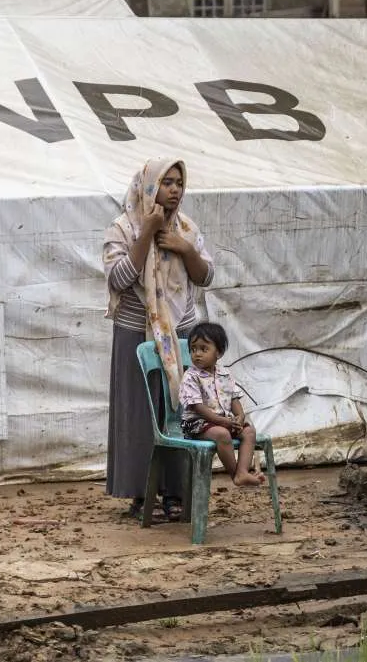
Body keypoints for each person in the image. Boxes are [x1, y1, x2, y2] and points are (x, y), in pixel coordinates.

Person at [103, 157, 214, 520]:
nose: (175, 190)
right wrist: (147, 233)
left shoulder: (186, 228)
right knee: (140, 414)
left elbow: (205, 276)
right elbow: (119, 278)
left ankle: (176, 493)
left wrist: (185, 248)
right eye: (167, 183)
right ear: (149, 186)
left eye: (179, 183)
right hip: (137, 333)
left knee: (181, 411)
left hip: (181, 334)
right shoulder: (123, 228)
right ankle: (141, 494)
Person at [179, 322, 265, 487]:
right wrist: (222, 422)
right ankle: (236, 475)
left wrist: (240, 417)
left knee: (249, 432)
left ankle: (243, 472)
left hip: (223, 421)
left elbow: (234, 399)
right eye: (193, 349)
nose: (197, 354)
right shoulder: (191, 376)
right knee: (222, 435)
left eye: (204, 349)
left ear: (218, 352)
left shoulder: (225, 374)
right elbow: (197, 407)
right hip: (197, 423)